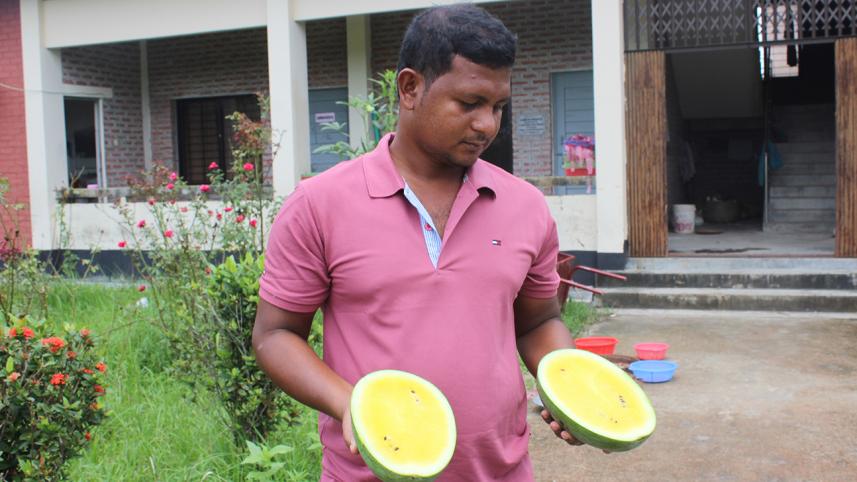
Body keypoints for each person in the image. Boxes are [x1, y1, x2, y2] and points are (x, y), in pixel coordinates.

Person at [253, 4, 580, 480]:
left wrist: (565, 385)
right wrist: (350, 404)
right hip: (370, 471)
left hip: (500, 471)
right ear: (410, 88)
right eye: (469, 104)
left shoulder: (525, 206)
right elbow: (275, 334)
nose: (488, 125)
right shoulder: (320, 204)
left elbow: (538, 321)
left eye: (498, 107)